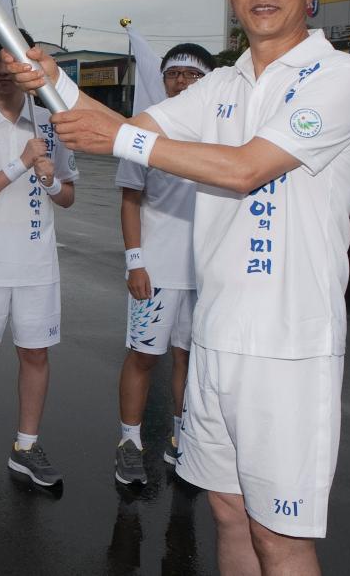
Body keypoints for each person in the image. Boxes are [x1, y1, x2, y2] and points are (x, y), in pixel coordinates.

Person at [11, 0, 350, 574]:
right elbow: (126, 126)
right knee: (230, 514)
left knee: (282, 538)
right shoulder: (221, 87)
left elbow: (243, 169)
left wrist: (122, 138)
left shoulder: (340, 77)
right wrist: (52, 81)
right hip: (213, 338)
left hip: (288, 348)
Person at [0, 31, 77, 490]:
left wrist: (48, 181)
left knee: (35, 354)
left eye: (14, 63)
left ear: (31, 67)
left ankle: (26, 446)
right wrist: (20, 164)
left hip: (37, 265)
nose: (5, 73)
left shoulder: (51, 121)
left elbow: (68, 197)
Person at [112, 43, 214, 487]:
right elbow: (130, 200)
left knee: (189, 359)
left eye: (193, 75)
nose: (182, 82)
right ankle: (130, 442)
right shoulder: (145, 135)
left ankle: (182, 439)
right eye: (174, 74)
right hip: (156, 270)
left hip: (207, 272)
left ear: (208, 81)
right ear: (164, 79)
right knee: (143, 357)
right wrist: (136, 262)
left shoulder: (221, 134)